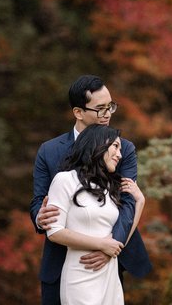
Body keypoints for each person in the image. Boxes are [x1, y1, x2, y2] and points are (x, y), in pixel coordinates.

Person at [30, 75, 151, 305]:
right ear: (78, 112)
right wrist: (40, 216)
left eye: (110, 107)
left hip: (105, 260)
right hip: (59, 259)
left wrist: (109, 247)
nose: (107, 114)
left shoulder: (122, 147)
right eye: (100, 109)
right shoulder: (49, 150)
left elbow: (126, 202)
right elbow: (39, 200)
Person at [46, 124, 145, 305]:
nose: (120, 154)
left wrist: (140, 202)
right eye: (115, 146)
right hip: (81, 275)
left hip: (109, 275)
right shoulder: (64, 180)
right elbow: (54, 232)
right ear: (97, 144)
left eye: (121, 149)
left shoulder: (108, 187)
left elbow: (118, 241)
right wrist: (101, 245)